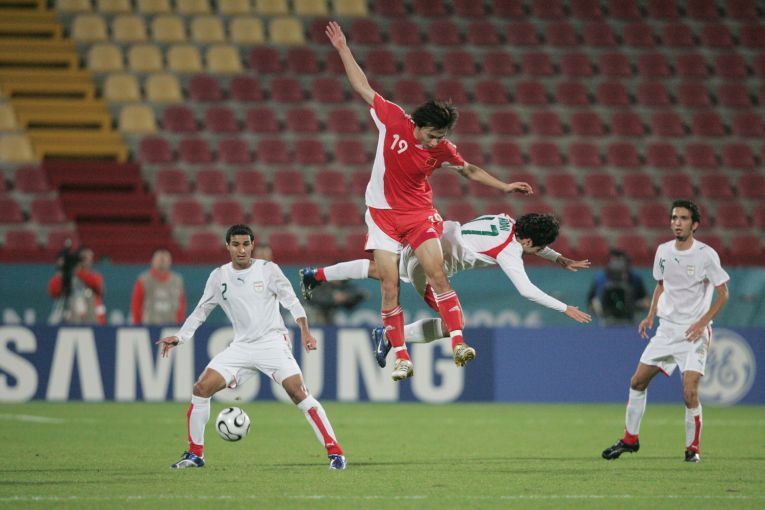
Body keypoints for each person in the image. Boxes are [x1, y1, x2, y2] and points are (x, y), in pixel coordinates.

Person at [326, 21, 533, 381]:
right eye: (433, 135)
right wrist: (343, 48)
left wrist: (503, 187)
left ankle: (458, 342)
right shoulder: (393, 119)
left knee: (437, 273)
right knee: (389, 285)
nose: (437, 142)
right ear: (419, 125)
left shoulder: (442, 150)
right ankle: (401, 357)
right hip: (382, 217)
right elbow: (362, 87)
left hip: (419, 214)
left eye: (442, 137)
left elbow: (468, 170)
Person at [157, 224, 346, 470]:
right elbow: (201, 311)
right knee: (201, 388)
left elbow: (292, 302)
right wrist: (180, 337)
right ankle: (195, 454)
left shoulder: (268, 270)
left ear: (252, 245)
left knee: (298, 392)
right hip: (241, 346)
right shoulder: (218, 276)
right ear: (227, 246)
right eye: (236, 244)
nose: (241, 249)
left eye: (246, 244)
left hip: (272, 343)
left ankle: (336, 453)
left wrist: (305, 331)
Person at [300, 212, 592, 367]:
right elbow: (526, 290)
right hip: (430, 268)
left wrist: (559, 259)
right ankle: (390, 335)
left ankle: (316, 274)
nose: (539, 251)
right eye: (539, 248)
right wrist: (564, 307)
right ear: (527, 242)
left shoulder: (506, 220)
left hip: (429, 240)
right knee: (455, 322)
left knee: (380, 270)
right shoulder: (509, 251)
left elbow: (532, 244)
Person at [602, 200, 729, 463]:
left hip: (693, 334)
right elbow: (661, 285)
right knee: (637, 382)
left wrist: (702, 323)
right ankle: (630, 440)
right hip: (666, 330)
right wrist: (651, 315)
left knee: (689, 392)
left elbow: (723, 294)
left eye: (683, 218)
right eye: (674, 218)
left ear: (695, 224)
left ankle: (692, 449)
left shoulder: (706, 255)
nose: (677, 223)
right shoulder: (663, 251)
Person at [587, 249, 649, 326]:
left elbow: (646, 301)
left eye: (620, 262)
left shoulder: (636, 278)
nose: (617, 266)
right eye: (614, 262)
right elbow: (590, 302)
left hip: (631, 318)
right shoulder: (599, 278)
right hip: (605, 318)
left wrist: (635, 305)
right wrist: (598, 308)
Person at [48, 245, 106, 325]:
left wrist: (77, 271)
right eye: (84, 258)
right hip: (72, 320)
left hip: (93, 319)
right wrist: (63, 270)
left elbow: (97, 285)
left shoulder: (95, 275)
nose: (88, 260)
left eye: (91, 257)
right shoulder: (68, 276)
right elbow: (54, 291)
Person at [130, 249, 186, 325]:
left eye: (165, 260)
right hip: (149, 325)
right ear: (152, 261)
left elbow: (181, 305)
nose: (162, 262)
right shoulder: (143, 280)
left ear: (170, 261)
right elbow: (136, 305)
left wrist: (179, 324)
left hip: (172, 326)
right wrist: (138, 326)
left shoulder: (177, 281)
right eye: (159, 259)